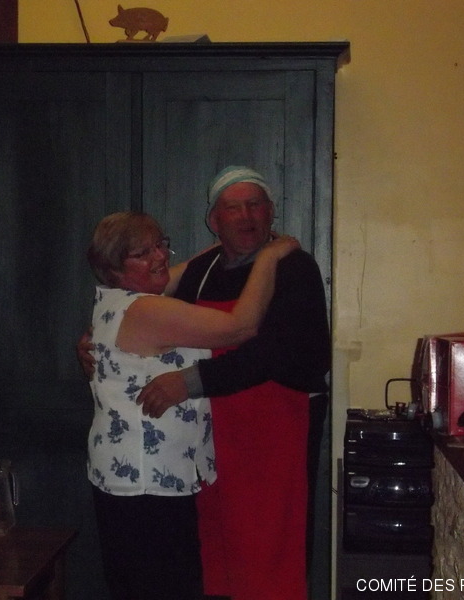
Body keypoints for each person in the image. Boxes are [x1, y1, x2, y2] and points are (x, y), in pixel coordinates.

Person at [135, 166, 331, 600]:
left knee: (269, 549)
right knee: (217, 549)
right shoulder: (201, 269)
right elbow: (143, 310)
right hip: (212, 435)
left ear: (271, 212)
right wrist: (95, 338)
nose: (246, 216)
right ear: (214, 220)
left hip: (275, 432)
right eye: (233, 208)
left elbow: (278, 352)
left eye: (255, 205)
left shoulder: (294, 267)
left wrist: (190, 382)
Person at [85, 211, 300, 600]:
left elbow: (181, 270)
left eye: (160, 245)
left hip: (134, 478)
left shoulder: (118, 300)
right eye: (143, 253)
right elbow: (241, 326)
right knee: (164, 587)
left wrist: (231, 244)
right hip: (146, 483)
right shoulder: (146, 310)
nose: (159, 257)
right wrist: (269, 256)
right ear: (115, 268)